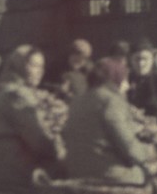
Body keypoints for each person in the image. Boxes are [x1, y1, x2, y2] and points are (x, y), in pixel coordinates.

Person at [0, 45, 62, 192]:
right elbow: (39, 140)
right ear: (18, 65)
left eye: (41, 67)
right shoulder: (17, 95)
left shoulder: (5, 91)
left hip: (4, 172)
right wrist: (60, 151)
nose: (40, 71)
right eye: (33, 65)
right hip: (18, 173)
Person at [62, 57, 152, 186]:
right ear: (114, 79)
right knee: (146, 175)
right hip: (105, 174)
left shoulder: (78, 100)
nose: (126, 86)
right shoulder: (111, 101)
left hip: (75, 172)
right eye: (124, 80)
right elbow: (129, 148)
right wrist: (148, 153)